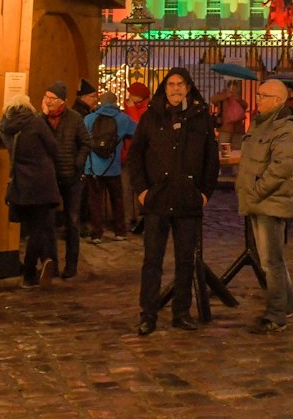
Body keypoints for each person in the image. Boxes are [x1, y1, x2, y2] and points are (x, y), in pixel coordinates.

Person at [127, 68, 219, 336]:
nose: (175, 89)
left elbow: (210, 160)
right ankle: (148, 314)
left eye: (180, 84)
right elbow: (136, 157)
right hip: (157, 198)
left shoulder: (201, 118)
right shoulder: (150, 117)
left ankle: (182, 312)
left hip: (188, 199)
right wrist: (142, 190)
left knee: (185, 261)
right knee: (152, 259)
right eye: (171, 84)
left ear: (188, 88)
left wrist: (204, 192)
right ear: (164, 88)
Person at [236, 79, 293, 333]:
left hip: (269, 200)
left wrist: (257, 189)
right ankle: (286, 305)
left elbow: (282, 166)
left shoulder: (285, 128)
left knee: (270, 261)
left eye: (263, 95)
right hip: (257, 198)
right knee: (273, 259)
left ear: (277, 100)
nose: (258, 99)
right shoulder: (261, 123)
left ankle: (276, 314)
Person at [0, 95, 61, 287]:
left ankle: (44, 260)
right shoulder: (37, 122)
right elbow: (54, 147)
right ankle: (32, 271)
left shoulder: (6, 127)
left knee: (31, 227)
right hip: (42, 181)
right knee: (39, 227)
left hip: (21, 183)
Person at [41, 82, 92, 278]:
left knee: (72, 220)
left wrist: (77, 164)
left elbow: (85, 143)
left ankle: (71, 265)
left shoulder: (74, 118)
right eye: (47, 97)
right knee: (47, 221)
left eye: (53, 98)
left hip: (71, 177)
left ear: (63, 101)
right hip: (49, 177)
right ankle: (50, 263)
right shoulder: (42, 119)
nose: (49, 102)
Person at [83, 87, 135, 241]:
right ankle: (119, 232)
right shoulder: (123, 118)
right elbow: (137, 132)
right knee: (117, 200)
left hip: (92, 168)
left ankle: (96, 234)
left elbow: (82, 140)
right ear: (115, 102)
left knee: (95, 202)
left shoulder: (89, 118)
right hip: (113, 167)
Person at [120, 81, 151, 230]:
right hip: (127, 154)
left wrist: (131, 109)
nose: (129, 96)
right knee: (126, 188)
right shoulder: (127, 108)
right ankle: (128, 218)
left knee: (140, 187)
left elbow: (137, 128)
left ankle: (141, 218)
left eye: (132, 93)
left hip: (141, 157)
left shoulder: (147, 110)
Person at [211, 84, 248, 149]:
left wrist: (238, 100)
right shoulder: (222, 95)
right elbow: (214, 100)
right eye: (233, 88)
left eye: (236, 88)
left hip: (237, 127)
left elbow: (245, 106)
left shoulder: (238, 98)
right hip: (225, 127)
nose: (235, 90)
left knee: (237, 147)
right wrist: (226, 95)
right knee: (223, 147)